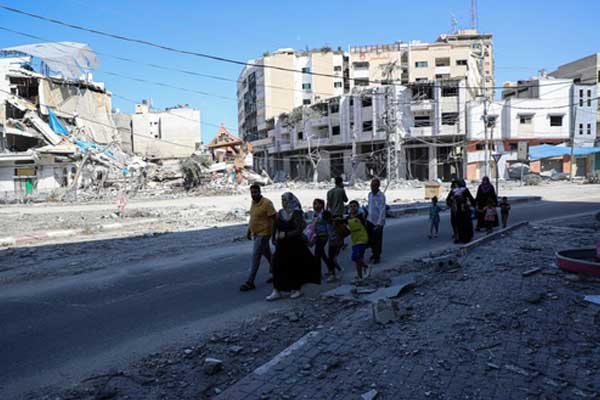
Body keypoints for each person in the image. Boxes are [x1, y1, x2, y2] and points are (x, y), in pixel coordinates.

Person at [267, 192, 320, 301]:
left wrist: (286, 234)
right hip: (282, 245)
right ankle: (277, 290)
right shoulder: (281, 212)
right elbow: (275, 225)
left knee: (294, 267)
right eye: (282, 200)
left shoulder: (296, 213)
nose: (283, 202)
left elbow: (299, 229)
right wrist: (273, 237)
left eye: (285, 200)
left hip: (294, 245)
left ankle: (296, 289)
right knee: (277, 265)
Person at [240, 184, 276, 292]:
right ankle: (277, 273)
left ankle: (250, 282)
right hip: (256, 234)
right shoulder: (253, 203)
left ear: (260, 192)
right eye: (252, 192)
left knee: (256, 257)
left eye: (255, 192)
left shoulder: (267, 203)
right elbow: (253, 218)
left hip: (264, 234)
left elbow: (274, 220)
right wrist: (249, 231)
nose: (253, 194)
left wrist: (273, 235)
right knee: (268, 255)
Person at [347, 200, 370, 282]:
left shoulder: (361, 215)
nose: (353, 208)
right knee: (359, 259)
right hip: (354, 239)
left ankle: (367, 267)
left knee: (355, 257)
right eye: (351, 206)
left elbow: (366, 214)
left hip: (362, 238)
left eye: (354, 206)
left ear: (358, 207)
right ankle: (360, 277)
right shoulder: (348, 217)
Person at [367, 178, 386, 264]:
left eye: (374, 185)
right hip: (370, 220)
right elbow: (369, 206)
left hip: (378, 222)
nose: (372, 187)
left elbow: (382, 210)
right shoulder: (370, 194)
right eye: (371, 185)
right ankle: (374, 252)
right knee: (370, 239)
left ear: (378, 186)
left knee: (377, 240)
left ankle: (377, 255)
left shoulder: (381, 196)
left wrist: (379, 223)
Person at [324, 210, 344, 282]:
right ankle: (336, 272)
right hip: (331, 242)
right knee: (331, 258)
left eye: (327, 219)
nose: (326, 221)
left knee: (332, 259)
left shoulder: (335, 222)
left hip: (336, 242)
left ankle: (334, 274)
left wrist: (340, 241)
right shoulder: (327, 223)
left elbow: (341, 231)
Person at [311, 198, 331, 275]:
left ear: (321, 205)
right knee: (322, 254)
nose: (315, 205)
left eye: (317, 204)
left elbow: (328, 222)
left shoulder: (324, 213)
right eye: (314, 204)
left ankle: (318, 273)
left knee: (317, 255)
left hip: (323, 236)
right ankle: (332, 269)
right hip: (317, 235)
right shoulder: (314, 213)